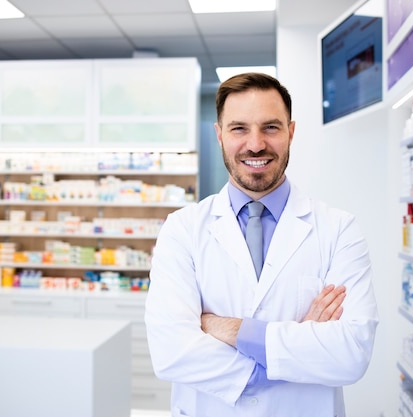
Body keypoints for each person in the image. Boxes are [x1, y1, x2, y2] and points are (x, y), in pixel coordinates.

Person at [144, 73, 379, 416]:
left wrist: (229, 328)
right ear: (219, 135)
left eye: (270, 127)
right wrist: (293, 350)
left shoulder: (339, 229)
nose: (255, 144)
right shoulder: (183, 230)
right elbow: (172, 353)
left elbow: (351, 354)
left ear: (291, 132)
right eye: (239, 128)